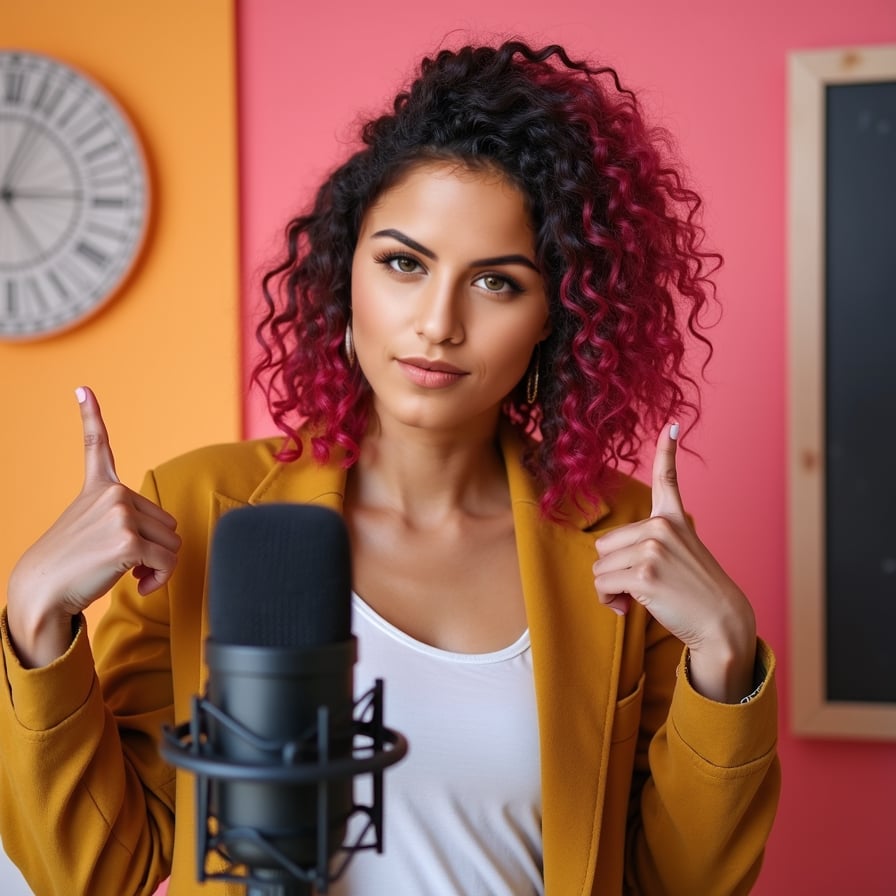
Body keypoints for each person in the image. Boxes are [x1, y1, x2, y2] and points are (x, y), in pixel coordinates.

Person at [0, 40, 780, 896]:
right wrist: (36, 621)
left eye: (496, 283)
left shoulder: (627, 544)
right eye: (404, 264)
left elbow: (678, 884)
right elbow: (96, 871)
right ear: (346, 275)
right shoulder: (205, 512)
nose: (437, 323)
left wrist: (725, 660)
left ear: (558, 314)